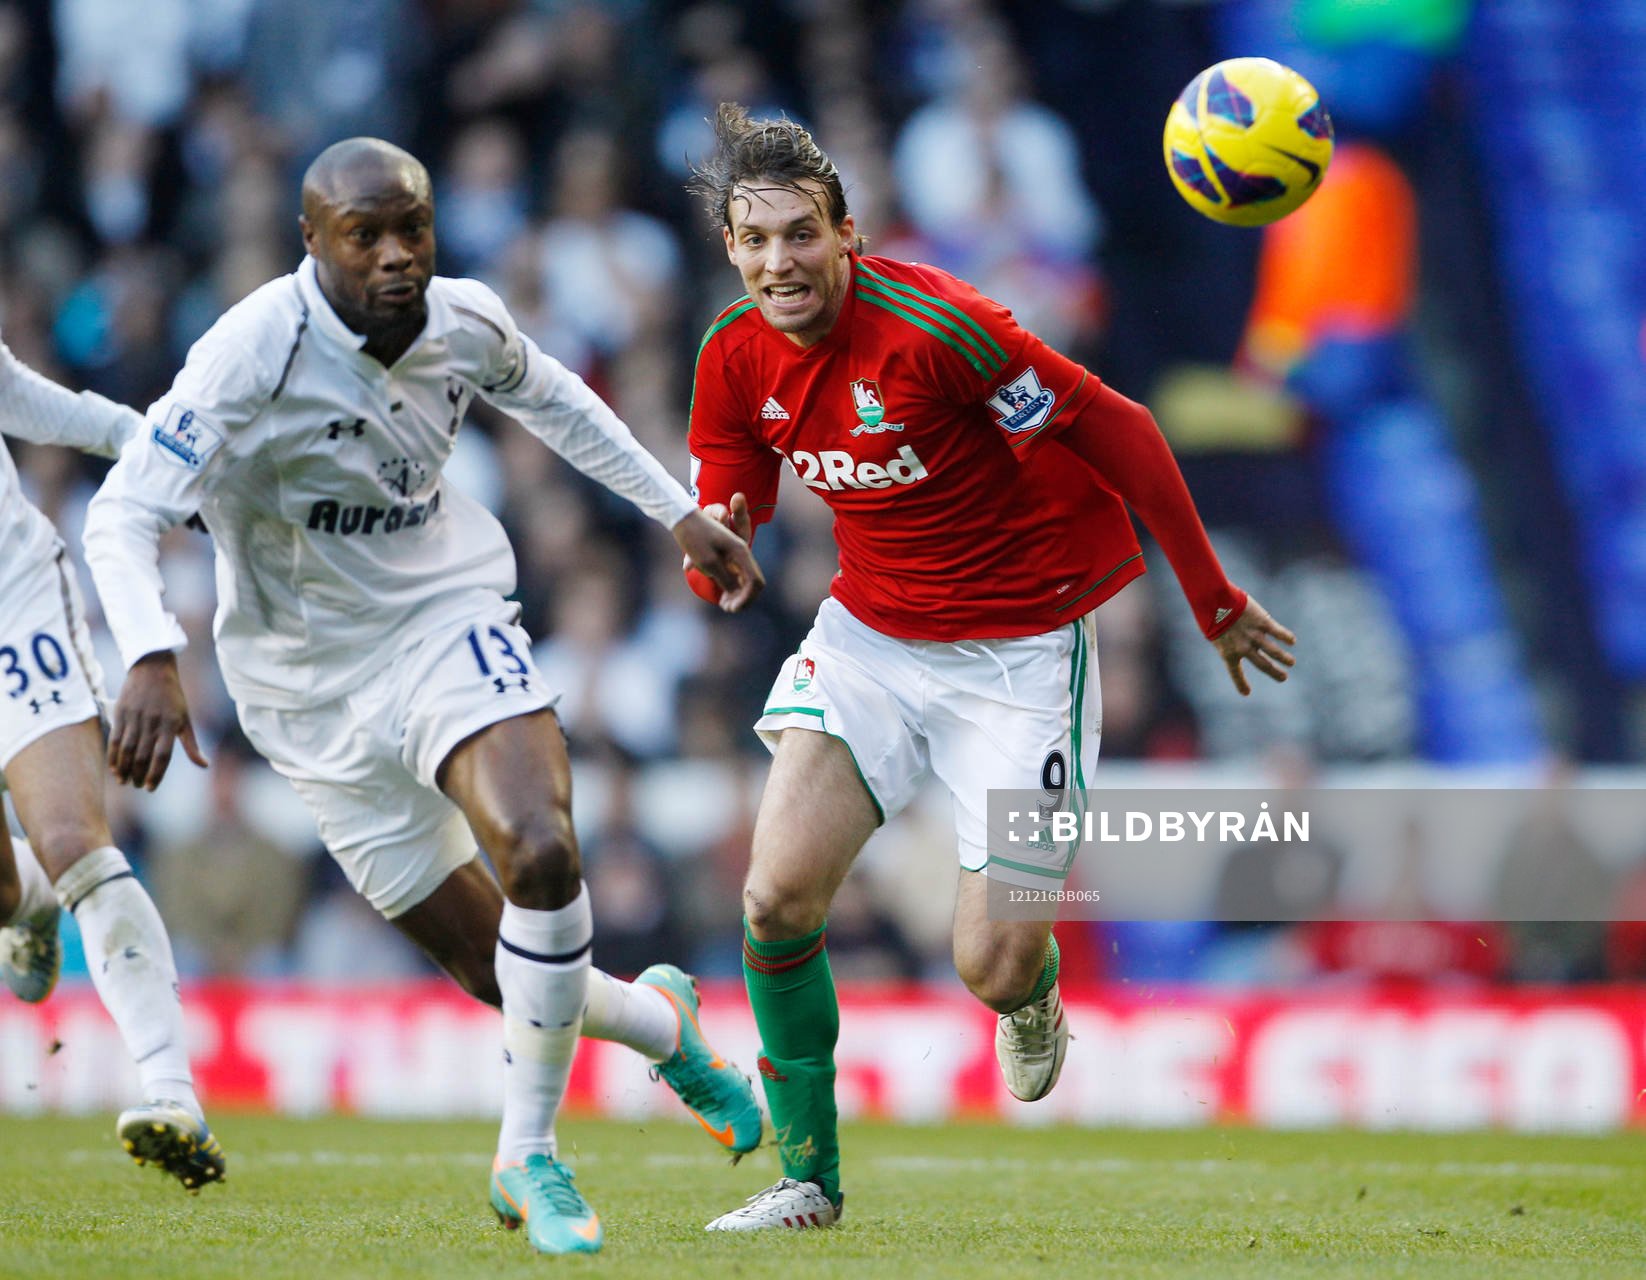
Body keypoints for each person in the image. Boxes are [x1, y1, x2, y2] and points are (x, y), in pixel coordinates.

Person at [83, 137, 765, 1256]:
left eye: (415, 228)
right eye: (367, 236)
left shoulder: (463, 319)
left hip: (444, 619)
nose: (397, 256)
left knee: (542, 846)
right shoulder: (251, 350)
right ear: (313, 242)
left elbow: (558, 399)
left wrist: (674, 508)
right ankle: (660, 1022)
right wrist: (152, 651)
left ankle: (528, 1154)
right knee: (500, 964)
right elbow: (121, 513)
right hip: (304, 689)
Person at [684, 105, 1297, 1230]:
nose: (780, 261)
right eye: (755, 239)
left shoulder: (940, 329)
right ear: (730, 248)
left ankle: (1032, 984)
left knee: (989, 962)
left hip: (1018, 656)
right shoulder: (730, 357)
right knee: (773, 900)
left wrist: (1208, 596)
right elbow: (735, 518)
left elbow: (1119, 432)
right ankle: (807, 1181)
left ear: (847, 234)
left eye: (800, 234)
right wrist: (716, 559)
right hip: (869, 638)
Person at [0, 339, 227, 1193]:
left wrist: (157, 447)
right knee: (18, 880)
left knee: (74, 840)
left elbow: (23, 401)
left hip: (12, 603)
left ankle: (172, 1093)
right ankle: (23, 895)